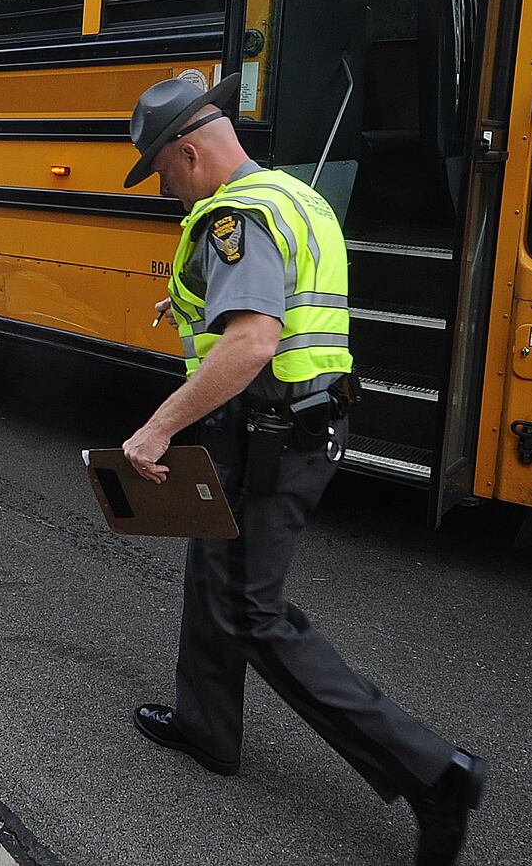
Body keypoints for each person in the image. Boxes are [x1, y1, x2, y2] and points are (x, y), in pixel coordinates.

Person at [120, 75, 486, 866]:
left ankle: (434, 774)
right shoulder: (294, 193)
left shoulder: (235, 217)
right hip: (290, 423)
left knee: (255, 613)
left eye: (162, 171)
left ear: (189, 150)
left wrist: (154, 430)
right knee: (209, 563)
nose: (166, 189)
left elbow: (251, 342)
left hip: (273, 437)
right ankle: (206, 726)